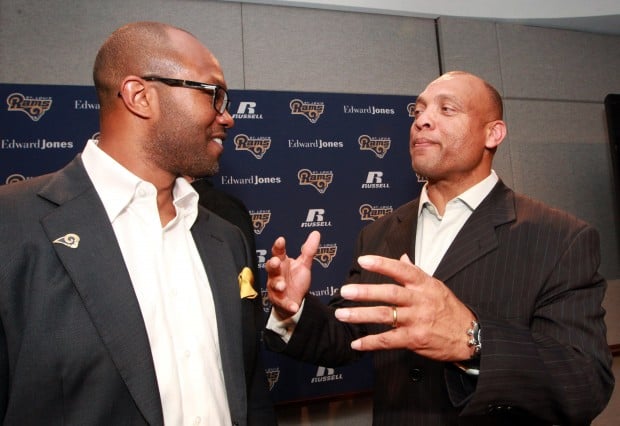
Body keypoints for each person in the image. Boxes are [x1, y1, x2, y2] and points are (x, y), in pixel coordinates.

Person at [264, 71, 614, 425]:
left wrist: (475, 341)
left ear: (493, 133)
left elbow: (584, 382)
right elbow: (348, 336)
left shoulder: (560, 238)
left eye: (447, 109)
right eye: (418, 111)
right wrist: (293, 310)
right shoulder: (378, 235)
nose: (422, 121)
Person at [0, 21, 276, 426]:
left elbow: (250, 392)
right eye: (214, 95)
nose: (228, 117)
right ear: (140, 96)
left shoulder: (225, 237)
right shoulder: (13, 226)